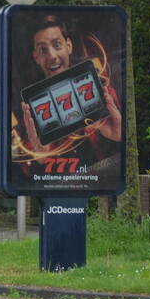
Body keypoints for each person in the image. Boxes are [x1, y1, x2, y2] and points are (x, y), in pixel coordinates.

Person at [13, 14, 121, 178]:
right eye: (43, 50)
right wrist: (40, 157)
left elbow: (125, 159)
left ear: (68, 46)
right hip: (58, 186)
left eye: (57, 45)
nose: (52, 56)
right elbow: (26, 173)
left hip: (100, 188)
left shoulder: (102, 90)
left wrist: (118, 136)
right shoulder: (29, 113)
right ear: (36, 57)